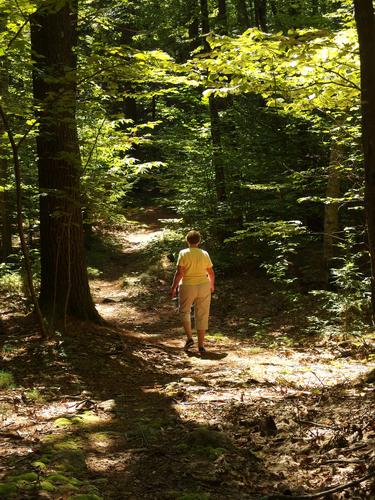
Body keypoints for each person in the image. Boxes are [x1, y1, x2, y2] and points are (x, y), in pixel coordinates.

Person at [170, 230, 215, 353]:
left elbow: (179, 273)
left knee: (184, 311)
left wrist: (173, 287)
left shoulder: (183, 253)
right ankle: (201, 346)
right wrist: (212, 285)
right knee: (202, 314)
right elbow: (210, 272)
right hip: (204, 285)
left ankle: (190, 338)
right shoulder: (204, 254)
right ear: (199, 241)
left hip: (187, 285)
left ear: (187, 240)